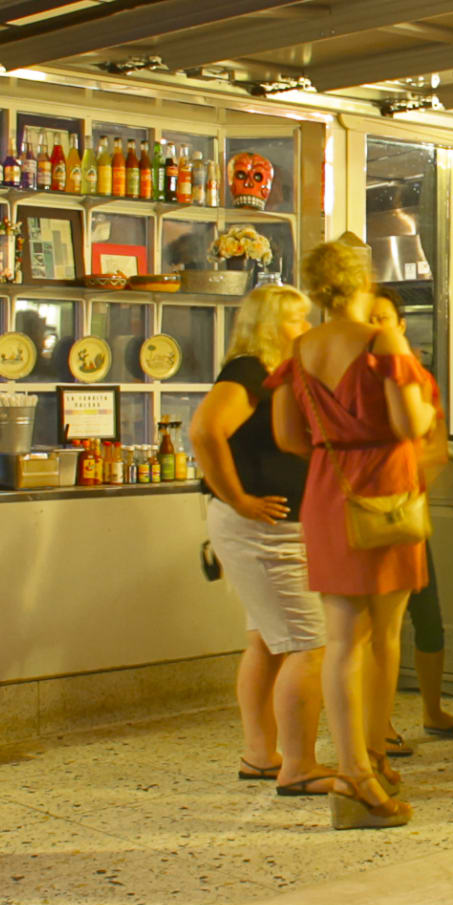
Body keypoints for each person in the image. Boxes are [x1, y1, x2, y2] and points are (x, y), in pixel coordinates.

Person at [276, 235, 443, 830]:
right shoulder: (381, 338)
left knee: (342, 640)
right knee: (387, 632)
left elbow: (290, 438)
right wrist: (420, 402)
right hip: (386, 489)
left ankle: (352, 771)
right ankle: (370, 757)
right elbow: (408, 423)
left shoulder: (300, 349)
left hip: (329, 490)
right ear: (361, 283)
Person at [195, 284, 336, 797]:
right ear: (272, 324)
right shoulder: (249, 370)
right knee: (309, 642)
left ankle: (261, 755)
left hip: (273, 528)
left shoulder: (271, 373)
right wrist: (237, 498)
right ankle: (299, 766)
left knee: (267, 640)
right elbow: (205, 431)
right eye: (298, 319)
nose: (307, 328)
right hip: (263, 529)